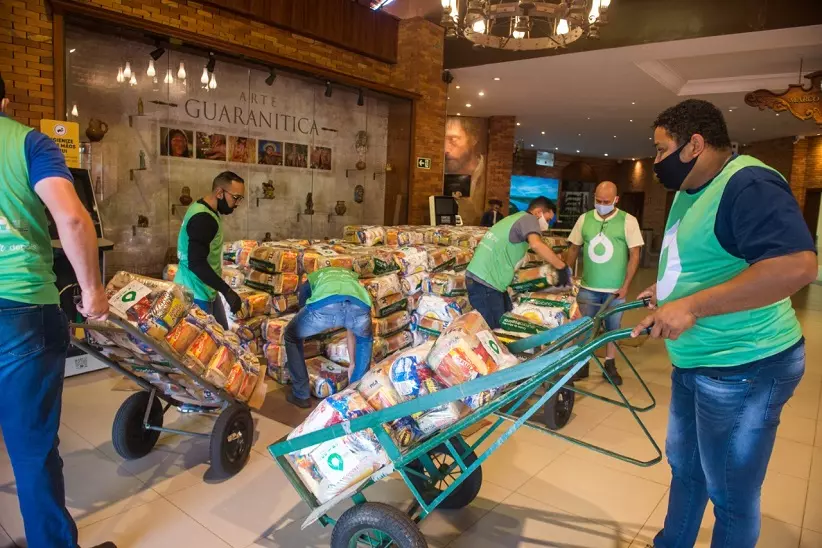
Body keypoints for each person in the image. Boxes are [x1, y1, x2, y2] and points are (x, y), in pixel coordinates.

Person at [631, 99, 817, 548]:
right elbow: (706, 259)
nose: (655, 161)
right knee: (686, 468)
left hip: (745, 365)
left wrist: (691, 306)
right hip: (697, 360)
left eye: (661, 150)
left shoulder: (749, 183)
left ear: (694, 145)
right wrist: (666, 290)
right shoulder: (690, 190)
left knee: (730, 491)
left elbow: (796, 266)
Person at [0, 74, 115, 548]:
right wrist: (92, 291)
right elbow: (70, 216)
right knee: (32, 449)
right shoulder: (28, 142)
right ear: (5, 100)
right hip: (21, 305)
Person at [565, 181, 644, 385]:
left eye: (606, 202)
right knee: (583, 328)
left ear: (616, 200)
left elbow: (635, 255)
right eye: (598, 200)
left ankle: (610, 365)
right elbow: (573, 249)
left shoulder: (628, 221)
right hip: (588, 287)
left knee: (612, 329)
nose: (602, 205)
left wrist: (626, 285)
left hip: (615, 290)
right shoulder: (584, 219)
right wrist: (565, 276)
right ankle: (581, 364)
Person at [466, 196, 572, 329]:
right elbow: (536, 245)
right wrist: (561, 267)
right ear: (538, 212)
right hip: (486, 282)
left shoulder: (515, 218)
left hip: (486, 280)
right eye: (548, 220)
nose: (547, 224)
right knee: (495, 330)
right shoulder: (529, 219)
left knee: (507, 318)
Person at [284, 267, 373, 408]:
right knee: (364, 340)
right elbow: (352, 330)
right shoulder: (352, 278)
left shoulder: (313, 278)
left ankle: (301, 394)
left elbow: (304, 307)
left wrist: (309, 330)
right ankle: (355, 398)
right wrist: (352, 364)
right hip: (359, 306)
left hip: (325, 305)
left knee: (291, 335)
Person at [174, 171, 245, 329]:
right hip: (195, 292)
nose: (237, 203)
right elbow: (196, 263)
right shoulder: (204, 219)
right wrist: (227, 291)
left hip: (205, 288)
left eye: (240, 198)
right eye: (235, 197)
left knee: (224, 337)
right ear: (219, 192)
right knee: (210, 342)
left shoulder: (202, 208)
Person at [444, 117, 486, 225]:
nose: (445, 149)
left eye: (453, 140)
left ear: (473, 139)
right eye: (442, 141)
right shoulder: (441, 170)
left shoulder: (489, 173)